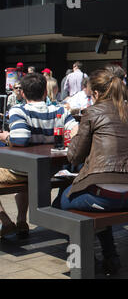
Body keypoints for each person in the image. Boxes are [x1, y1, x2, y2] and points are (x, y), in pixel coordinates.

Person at [58, 68, 128, 275]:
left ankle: (82, 261)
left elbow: (74, 157)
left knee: (58, 205)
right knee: (96, 202)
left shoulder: (92, 112)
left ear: (97, 94)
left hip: (103, 195)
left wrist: (75, 133)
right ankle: (111, 257)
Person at [0, 73, 78, 238]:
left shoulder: (19, 110)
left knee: (20, 170)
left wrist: (6, 137)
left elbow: (20, 139)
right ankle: (21, 221)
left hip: (23, 171)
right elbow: (77, 131)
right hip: (50, 170)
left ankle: (5, 221)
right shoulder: (59, 109)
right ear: (45, 92)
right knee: (26, 173)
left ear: (22, 93)